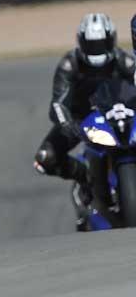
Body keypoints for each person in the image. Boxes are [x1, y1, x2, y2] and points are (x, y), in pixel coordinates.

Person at [33, 13, 136, 228]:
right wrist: (68, 125)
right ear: (81, 42)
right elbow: (58, 103)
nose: (97, 49)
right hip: (79, 119)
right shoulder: (70, 64)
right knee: (45, 158)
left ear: (112, 40)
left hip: (117, 113)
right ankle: (85, 176)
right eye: (92, 44)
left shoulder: (124, 60)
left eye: (102, 43)